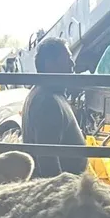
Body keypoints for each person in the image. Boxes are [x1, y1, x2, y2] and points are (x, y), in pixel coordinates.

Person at [21, 37, 88, 178]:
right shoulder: (47, 102)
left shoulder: (45, 92)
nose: (72, 63)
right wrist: (62, 194)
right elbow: (47, 161)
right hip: (64, 192)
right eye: (67, 58)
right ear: (50, 64)